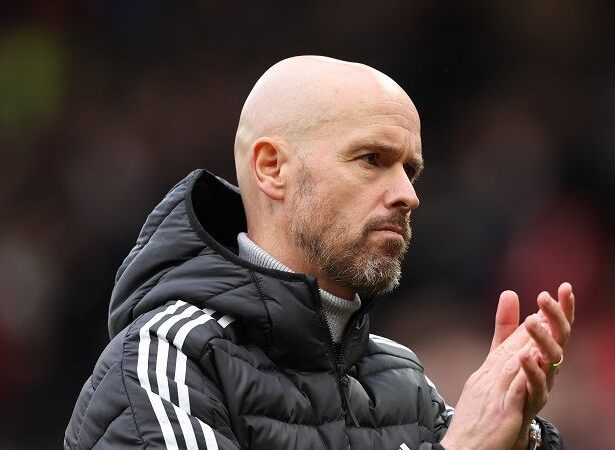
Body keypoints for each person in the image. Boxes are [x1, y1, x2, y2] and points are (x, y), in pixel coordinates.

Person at [64, 55, 575, 449]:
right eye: (372, 159)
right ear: (272, 169)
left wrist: (513, 434)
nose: (408, 194)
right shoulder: (167, 360)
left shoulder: (405, 383)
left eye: (410, 170)